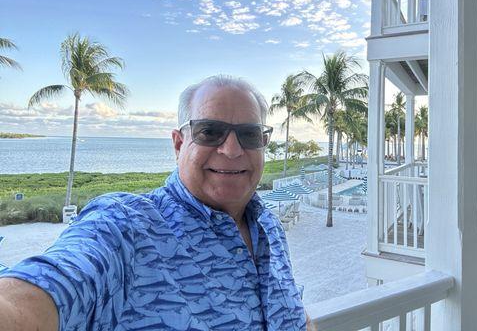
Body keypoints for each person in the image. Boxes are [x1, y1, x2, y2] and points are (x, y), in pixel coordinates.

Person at [0, 75, 311, 330]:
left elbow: (291, 312)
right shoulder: (127, 227)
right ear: (178, 144)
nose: (231, 150)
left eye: (249, 135)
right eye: (210, 132)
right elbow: (47, 289)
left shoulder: (268, 225)